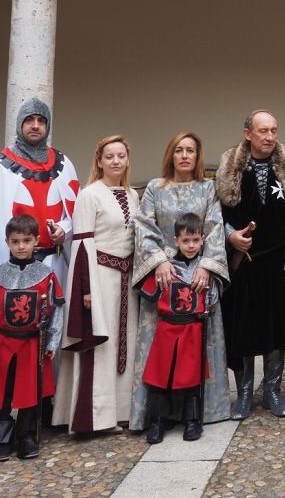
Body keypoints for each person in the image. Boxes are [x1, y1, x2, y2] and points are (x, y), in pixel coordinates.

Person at [0, 97, 79, 451]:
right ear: (19, 125)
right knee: (5, 344)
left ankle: (38, 412)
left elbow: (73, 211)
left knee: (45, 343)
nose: (35, 125)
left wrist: (62, 231)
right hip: (7, 272)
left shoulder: (64, 165)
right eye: (29, 120)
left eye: (41, 120)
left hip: (50, 267)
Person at [130, 132, 230, 431]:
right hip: (163, 281)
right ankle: (158, 415)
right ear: (170, 155)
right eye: (179, 150)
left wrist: (207, 267)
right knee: (159, 353)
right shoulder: (154, 188)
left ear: (198, 157)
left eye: (190, 151)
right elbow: (143, 226)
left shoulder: (207, 188)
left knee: (196, 351)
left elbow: (215, 228)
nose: (185, 156)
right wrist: (159, 261)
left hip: (197, 281)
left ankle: (195, 414)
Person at [216, 110, 285, 420]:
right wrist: (231, 237)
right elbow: (216, 214)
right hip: (242, 263)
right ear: (248, 134)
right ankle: (243, 394)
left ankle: (272, 390)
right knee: (242, 326)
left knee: (275, 329)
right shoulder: (230, 165)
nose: (270, 137)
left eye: (273, 130)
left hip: (275, 263)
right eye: (263, 131)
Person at [53, 135, 139, 434]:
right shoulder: (89, 194)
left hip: (126, 282)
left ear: (128, 159)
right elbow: (81, 245)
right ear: (99, 161)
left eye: (121, 156)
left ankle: (123, 412)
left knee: (122, 345)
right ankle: (94, 418)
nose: (115, 161)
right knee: (101, 345)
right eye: (109, 156)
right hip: (99, 278)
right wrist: (85, 290)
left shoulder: (132, 194)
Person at [0, 214, 64, 461]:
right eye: (15, 241)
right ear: (7, 242)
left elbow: (56, 310)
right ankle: (1, 438)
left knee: (29, 392)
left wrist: (52, 341)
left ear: (36, 241)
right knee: (3, 391)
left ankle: (26, 437)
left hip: (32, 343)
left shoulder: (46, 275)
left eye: (26, 240)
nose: (21, 246)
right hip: (3, 342)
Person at [137, 213, 220, 444]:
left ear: (202, 240)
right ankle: (157, 421)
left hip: (192, 330)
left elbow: (211, 300)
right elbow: (146, 293)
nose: (191, 245)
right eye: (186, 241)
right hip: (167, 329)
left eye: (195, 240)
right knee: (160, 377)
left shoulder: (206, 271)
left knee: (191, 378)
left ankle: (192, 421)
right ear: (176, 240)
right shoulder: (165, 268)